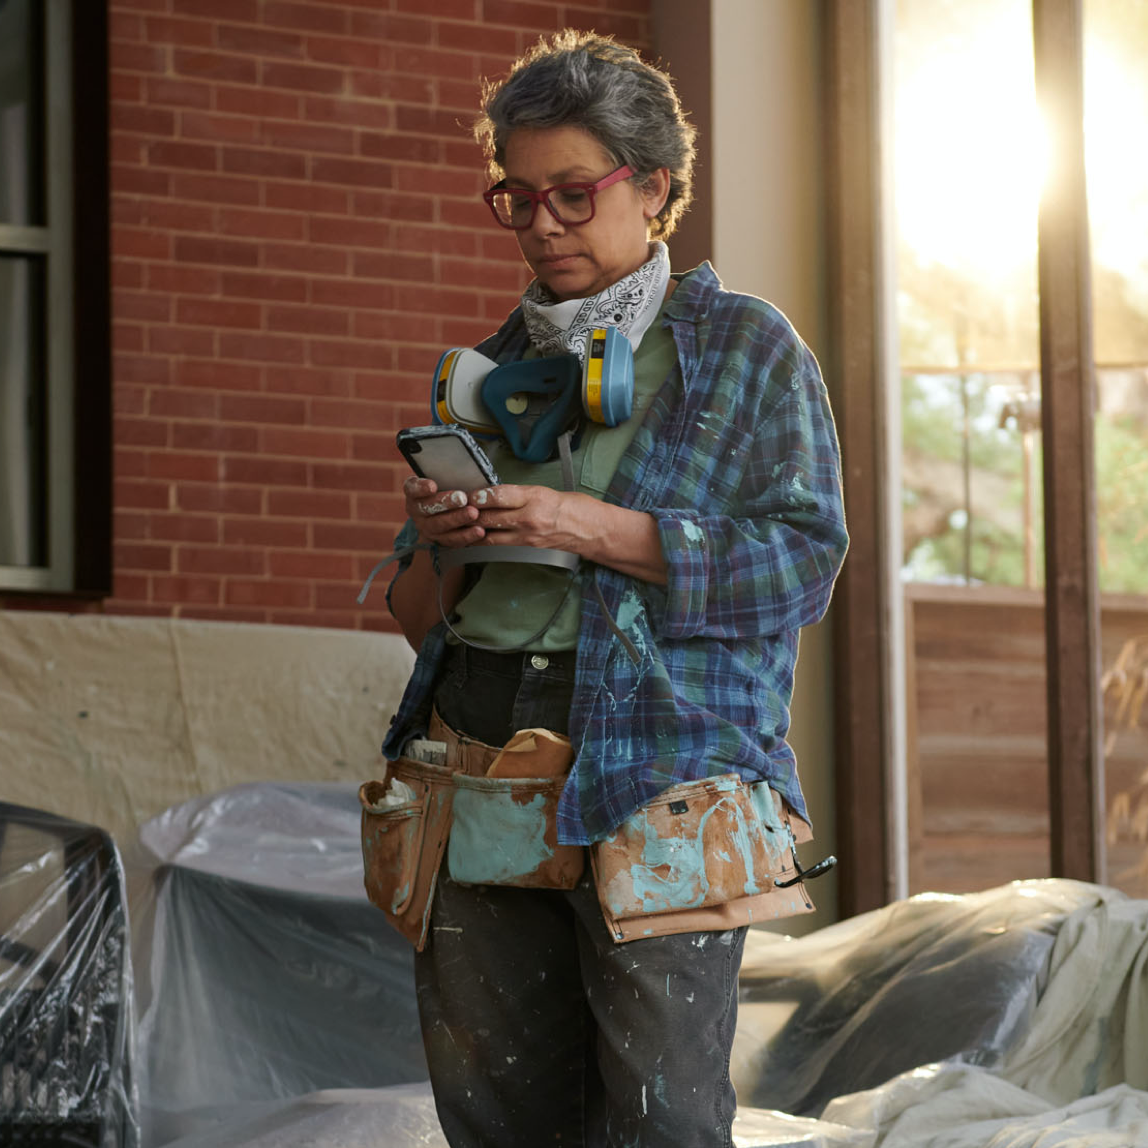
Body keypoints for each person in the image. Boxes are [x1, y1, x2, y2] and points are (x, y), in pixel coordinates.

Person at [380, 29, 848, 1147]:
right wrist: (437, 540)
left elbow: (797, 564)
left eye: (573, 194)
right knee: (498, 1118)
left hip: (664, 769)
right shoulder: (487, 368)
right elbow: (413, 621)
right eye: (517, 197)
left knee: (661, 1118)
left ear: (654, 188)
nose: (542, 223)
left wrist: (579, 523)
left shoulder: (743, 349)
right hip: (477, 757)